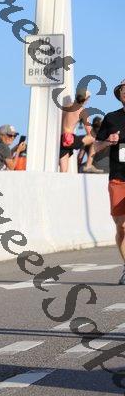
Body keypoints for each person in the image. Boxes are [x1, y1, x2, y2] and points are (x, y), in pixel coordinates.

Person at [95, 79, 125, 284]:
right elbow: (96, 147)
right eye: (123, 89)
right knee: (122, 227)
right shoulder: (111, 118)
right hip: (118, 178)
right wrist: (108, 141)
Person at [59, 89, 103, 173]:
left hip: (62, 139)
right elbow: (90, 132)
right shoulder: (82, 111)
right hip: (70, 139)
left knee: (63, 171)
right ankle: (88, 165)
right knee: (93, 138)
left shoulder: (67, 106)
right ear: (86, 99)